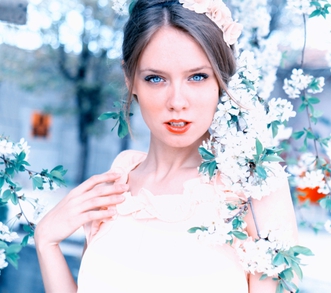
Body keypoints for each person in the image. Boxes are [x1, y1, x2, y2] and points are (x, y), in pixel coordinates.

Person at [35, 0, 299, 292]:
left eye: (197, 77)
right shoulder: (119, 178)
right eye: (156, 78)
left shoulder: (254, 186)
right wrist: (46, 240)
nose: (176, 102)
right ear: (130, 79)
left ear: (222, 79)